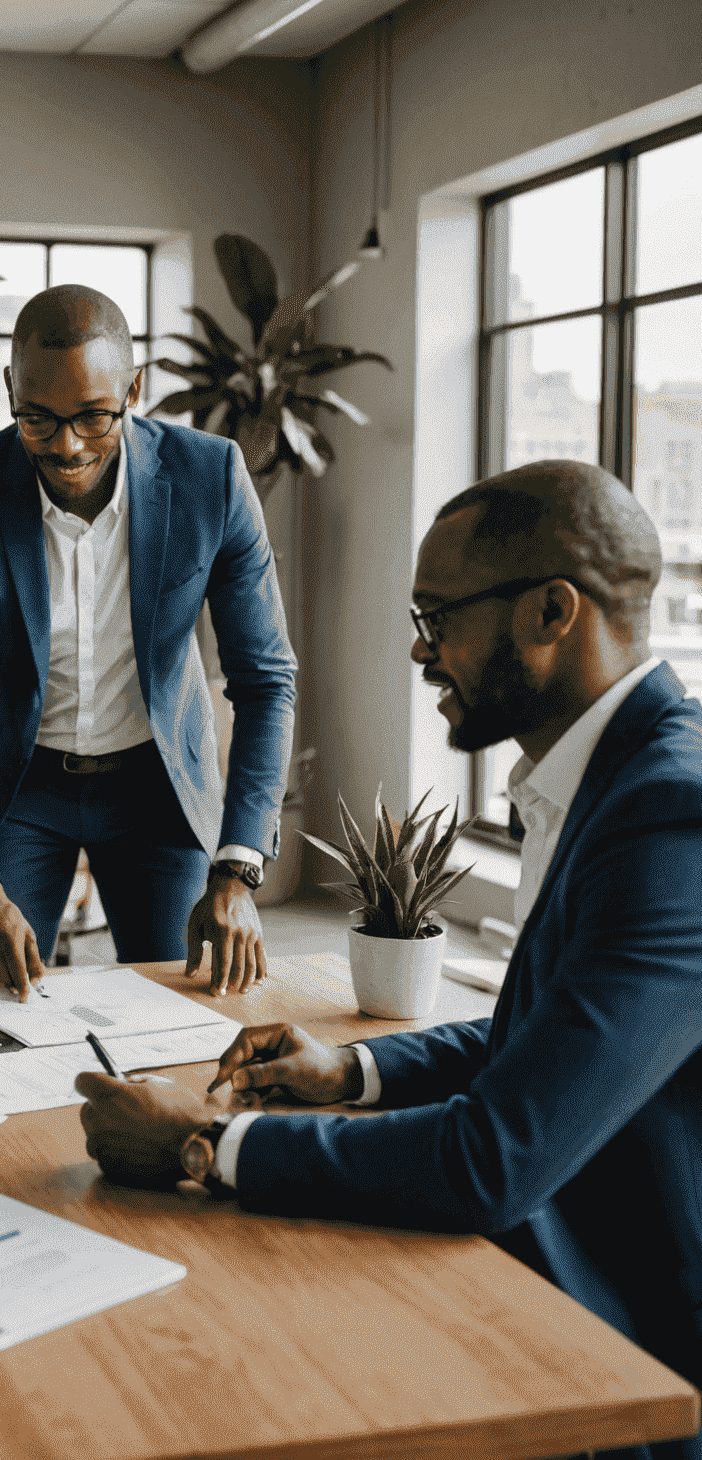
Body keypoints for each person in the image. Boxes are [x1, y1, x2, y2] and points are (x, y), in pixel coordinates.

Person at [76, 461, 702, 1459]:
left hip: (622, 1350)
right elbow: (540, 1036)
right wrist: (354, 1068)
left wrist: (210, 1143)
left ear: (550, 611)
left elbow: (493, 1161)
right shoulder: (606, 777)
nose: (420, 653)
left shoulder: (673, 819)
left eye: (437, 616)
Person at [0, 283, 297, 1000]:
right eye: (38, 419)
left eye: (93, 416)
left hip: (158, 786)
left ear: (134, 389)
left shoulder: (210, 478)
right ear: (9, 390)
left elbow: (266, 681)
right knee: (0, 1000)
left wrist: (238, 867)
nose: (66, 446)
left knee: (181, 1002)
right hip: (23, 788)